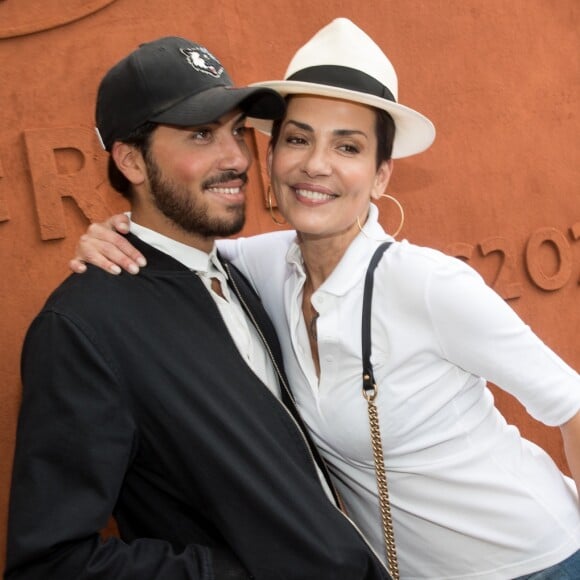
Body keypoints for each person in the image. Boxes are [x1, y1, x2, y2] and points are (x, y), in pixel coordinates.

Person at [69, 19, 580, 579]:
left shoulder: (429, 285)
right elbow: (173, 246)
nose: (316, 164)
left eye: (348, 146)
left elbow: (570, 404)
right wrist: (114, 231)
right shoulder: (256, 268)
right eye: (297, 138)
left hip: (541, 559)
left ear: (381, 176)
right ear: (270, 158)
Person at [5, 35, 393, 580]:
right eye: (201, 135)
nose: (236, 157)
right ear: (132, 161)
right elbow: (52, 563)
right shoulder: (81, 328)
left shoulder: (235, 274)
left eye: (237, 130)